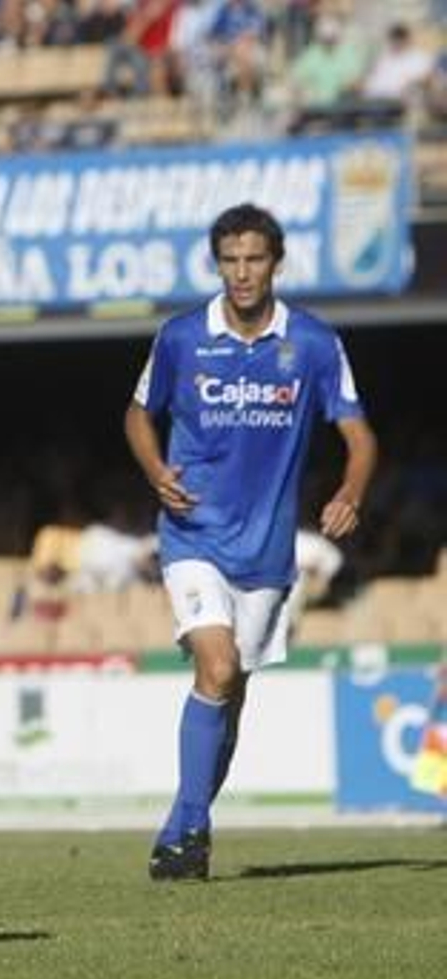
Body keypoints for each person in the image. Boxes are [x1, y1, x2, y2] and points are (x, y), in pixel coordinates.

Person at [124, 204, 377, 881]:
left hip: (267, 556)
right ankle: (194, 831)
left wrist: (350, 491)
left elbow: (358, 434)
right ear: (217, 264)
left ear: (276, 263)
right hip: (193, 536)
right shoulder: (182, 338)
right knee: (217, 668)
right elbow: (137, 415)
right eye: (230, 260)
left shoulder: (314, 344)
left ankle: (180, 828)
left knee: (230, 693)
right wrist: (155, 473)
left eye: (254, 259)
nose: (242, 273)